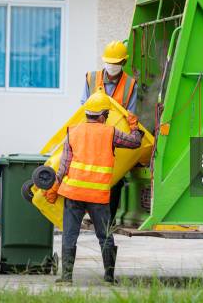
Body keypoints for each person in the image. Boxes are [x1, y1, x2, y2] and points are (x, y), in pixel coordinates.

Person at [45, 89, 142, 284]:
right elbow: (135, 142)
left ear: (88, 113)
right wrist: (134, 126)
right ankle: (108, 277)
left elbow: (64, 164)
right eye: (106, 114)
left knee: (70, 235)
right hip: (98, 196)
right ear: (103, 115)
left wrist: (54, 187)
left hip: (73, 193)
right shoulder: (110, 132)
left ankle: (66, 277)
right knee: (104, 236)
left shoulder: (73, 131)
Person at [81, 40, 138, 223]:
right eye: (109, 62)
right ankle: (88, 213)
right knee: (86, 174)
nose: (111, 66)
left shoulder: (130, 85)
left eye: (115, 63)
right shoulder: (91, 78)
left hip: (113, 137)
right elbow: (83, 106)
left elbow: (130, 114)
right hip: (90, 134)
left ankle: (106, 220)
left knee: (113, 178)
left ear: (123, 63)